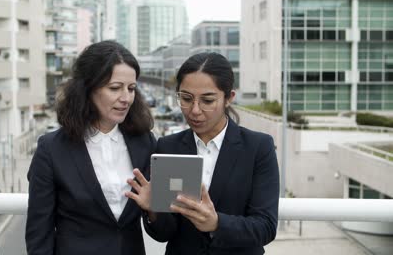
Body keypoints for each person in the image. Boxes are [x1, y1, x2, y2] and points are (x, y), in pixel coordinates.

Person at [126, 52, 280, 255]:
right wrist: (153, 209)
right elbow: (164, 233)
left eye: (207, 101)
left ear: (229, 98)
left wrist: (216, 223)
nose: (195, 110)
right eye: (186, 99)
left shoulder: (258, 147)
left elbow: (265, 227)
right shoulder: (168, 146)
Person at [26, 40, 156, 255]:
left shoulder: (146, 143)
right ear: (87, 89)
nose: (126, 98)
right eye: (115, 88)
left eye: (131, 89)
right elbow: (39, 234)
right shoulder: (51, 149)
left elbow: (163, 230)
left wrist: (153, 209)